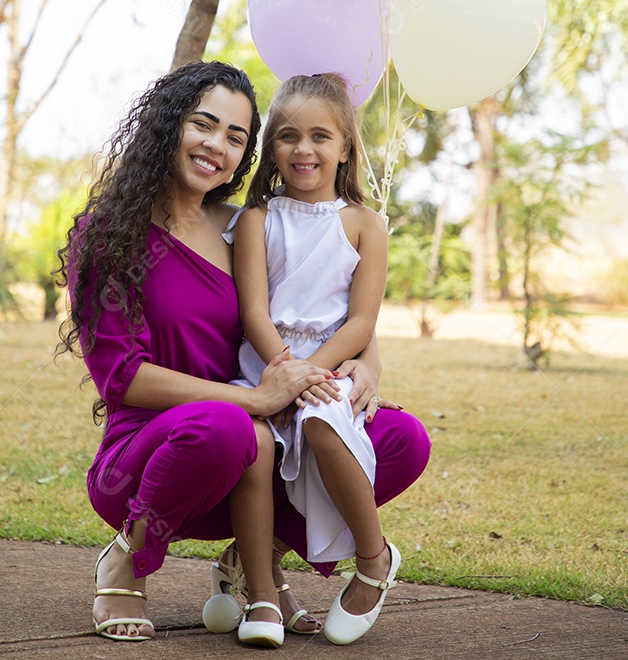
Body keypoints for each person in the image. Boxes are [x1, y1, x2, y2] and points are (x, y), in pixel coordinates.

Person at [56, 60, 431, 644]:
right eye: (203, 125)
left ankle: (258, 560)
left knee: (400, 441)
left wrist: (367, 363)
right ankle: (128, 552)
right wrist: (253, 397)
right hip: (153, 461)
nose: (217, 146)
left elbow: (326, 302)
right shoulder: (110, 235)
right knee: (230, 428)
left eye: (235, 137)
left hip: (258, 446)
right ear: (167, 125)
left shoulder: (244, 226)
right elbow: (121, 378)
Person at [224, 72, 404, 646]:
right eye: (288, 136)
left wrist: (314, 375)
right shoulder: (256, 219)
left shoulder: (366, 225)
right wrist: (284, 371)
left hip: (331, 367)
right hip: (266, 365)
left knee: (326, 426)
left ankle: (375, 560)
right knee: (253, 448)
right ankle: (261, 593)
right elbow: (254, 311)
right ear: (271, 146)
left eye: (321, 136)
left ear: (346, 146)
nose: (304, 149)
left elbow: (361, 322)